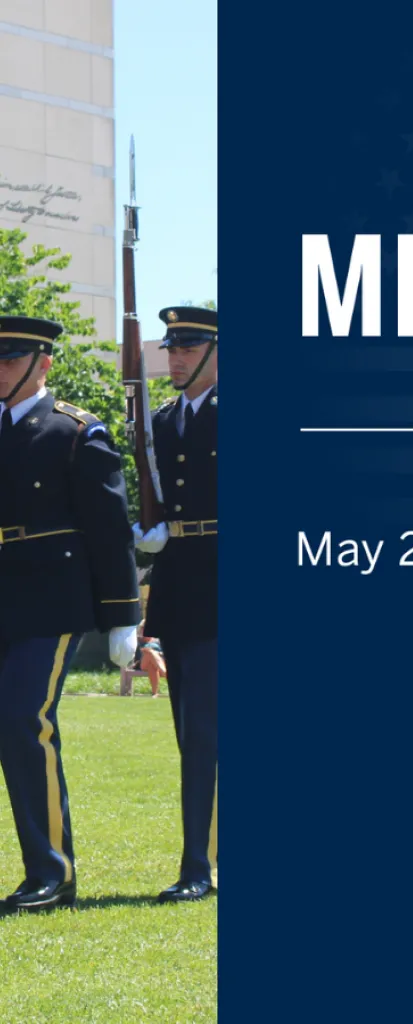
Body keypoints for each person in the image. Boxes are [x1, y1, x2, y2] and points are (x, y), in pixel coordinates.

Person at [0, 315, 140, 913]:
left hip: (50, 602)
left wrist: (124, 616)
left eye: (9, 358)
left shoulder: (76, 432)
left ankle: (51, 873)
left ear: (43, 363)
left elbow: (111, 533)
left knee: (22, 720)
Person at [134, 305, 217, 903]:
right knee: (194, 737)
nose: (177, 357)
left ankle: (199, 869)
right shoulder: (159, 423)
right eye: (171, 348)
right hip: (182, 587)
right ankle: (204, 862)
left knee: (207, 732)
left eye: (189, 347)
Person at [135, 619, 166, 697]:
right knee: (148, 652)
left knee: (151, 665)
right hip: (142, 662)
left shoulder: (159, 639)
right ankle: (165, 673)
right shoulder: (138, 639)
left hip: (158, 661)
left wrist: (158, 653)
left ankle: (154, 693)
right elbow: (139, 652)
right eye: (143, 628)